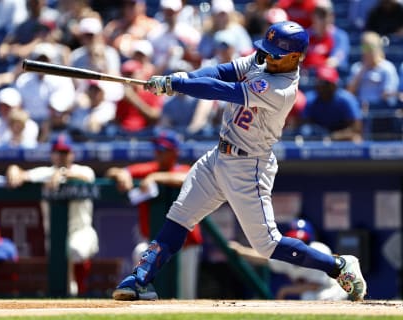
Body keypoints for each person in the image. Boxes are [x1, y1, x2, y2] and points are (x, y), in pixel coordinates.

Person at [111, 21, 367, 302]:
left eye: (275, 54)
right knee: (179, 216)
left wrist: (180, 84)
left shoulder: (281, 89)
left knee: (267, 244)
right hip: (218, 157)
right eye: (266, 51)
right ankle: (139, 279)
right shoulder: (263, 61)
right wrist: (184, 77)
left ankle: (338, 266)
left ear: (295, 57)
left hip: (250, 166)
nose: (267, 57)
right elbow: (223, 71)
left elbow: (225, 90)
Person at [105, 130, 203, 299]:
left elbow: (185, 178)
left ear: (175, 152)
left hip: (186, 244)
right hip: (155, 243)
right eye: (157, 150)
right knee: (140, 251)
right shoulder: (150, 168)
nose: (158, 154)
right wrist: (122, 175)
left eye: (163, 151)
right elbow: (113, 171)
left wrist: (156, 177)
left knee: (186, 295)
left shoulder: (182, 168)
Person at [5, 134, 99, 296]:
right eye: (58, 152)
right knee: (65, 286)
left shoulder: (82, 170)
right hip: (56, 237)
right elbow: (21, 174)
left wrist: (63, 173)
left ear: (72, 154)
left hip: (82, 232)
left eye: (65, 152)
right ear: (51, 154)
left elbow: (88, 178)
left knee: (73, 250)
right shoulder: (45, 173)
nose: (61, 156)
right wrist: (13, 169)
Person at [228, 218, 349, 301]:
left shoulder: (318, 250)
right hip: (315, 294)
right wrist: (240, 250)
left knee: (308, 296)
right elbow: (265, 259)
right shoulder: (288, 254)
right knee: (307, 297)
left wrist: (285, 290)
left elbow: (315, 286)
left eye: (302, 240)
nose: (299, 244)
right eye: (295, 240)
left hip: (333, 290)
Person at [299, 66, 363, 142]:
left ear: (334, 85)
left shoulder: (347, 99)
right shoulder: (310, 99)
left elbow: (356, 128)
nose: (323, 87)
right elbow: (304, 124)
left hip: (340, 135)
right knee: (305, 132)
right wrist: (322, 136)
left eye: (327, 84)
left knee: (356, 139)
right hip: (318, 136)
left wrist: (332, 136)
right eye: (320, 83)